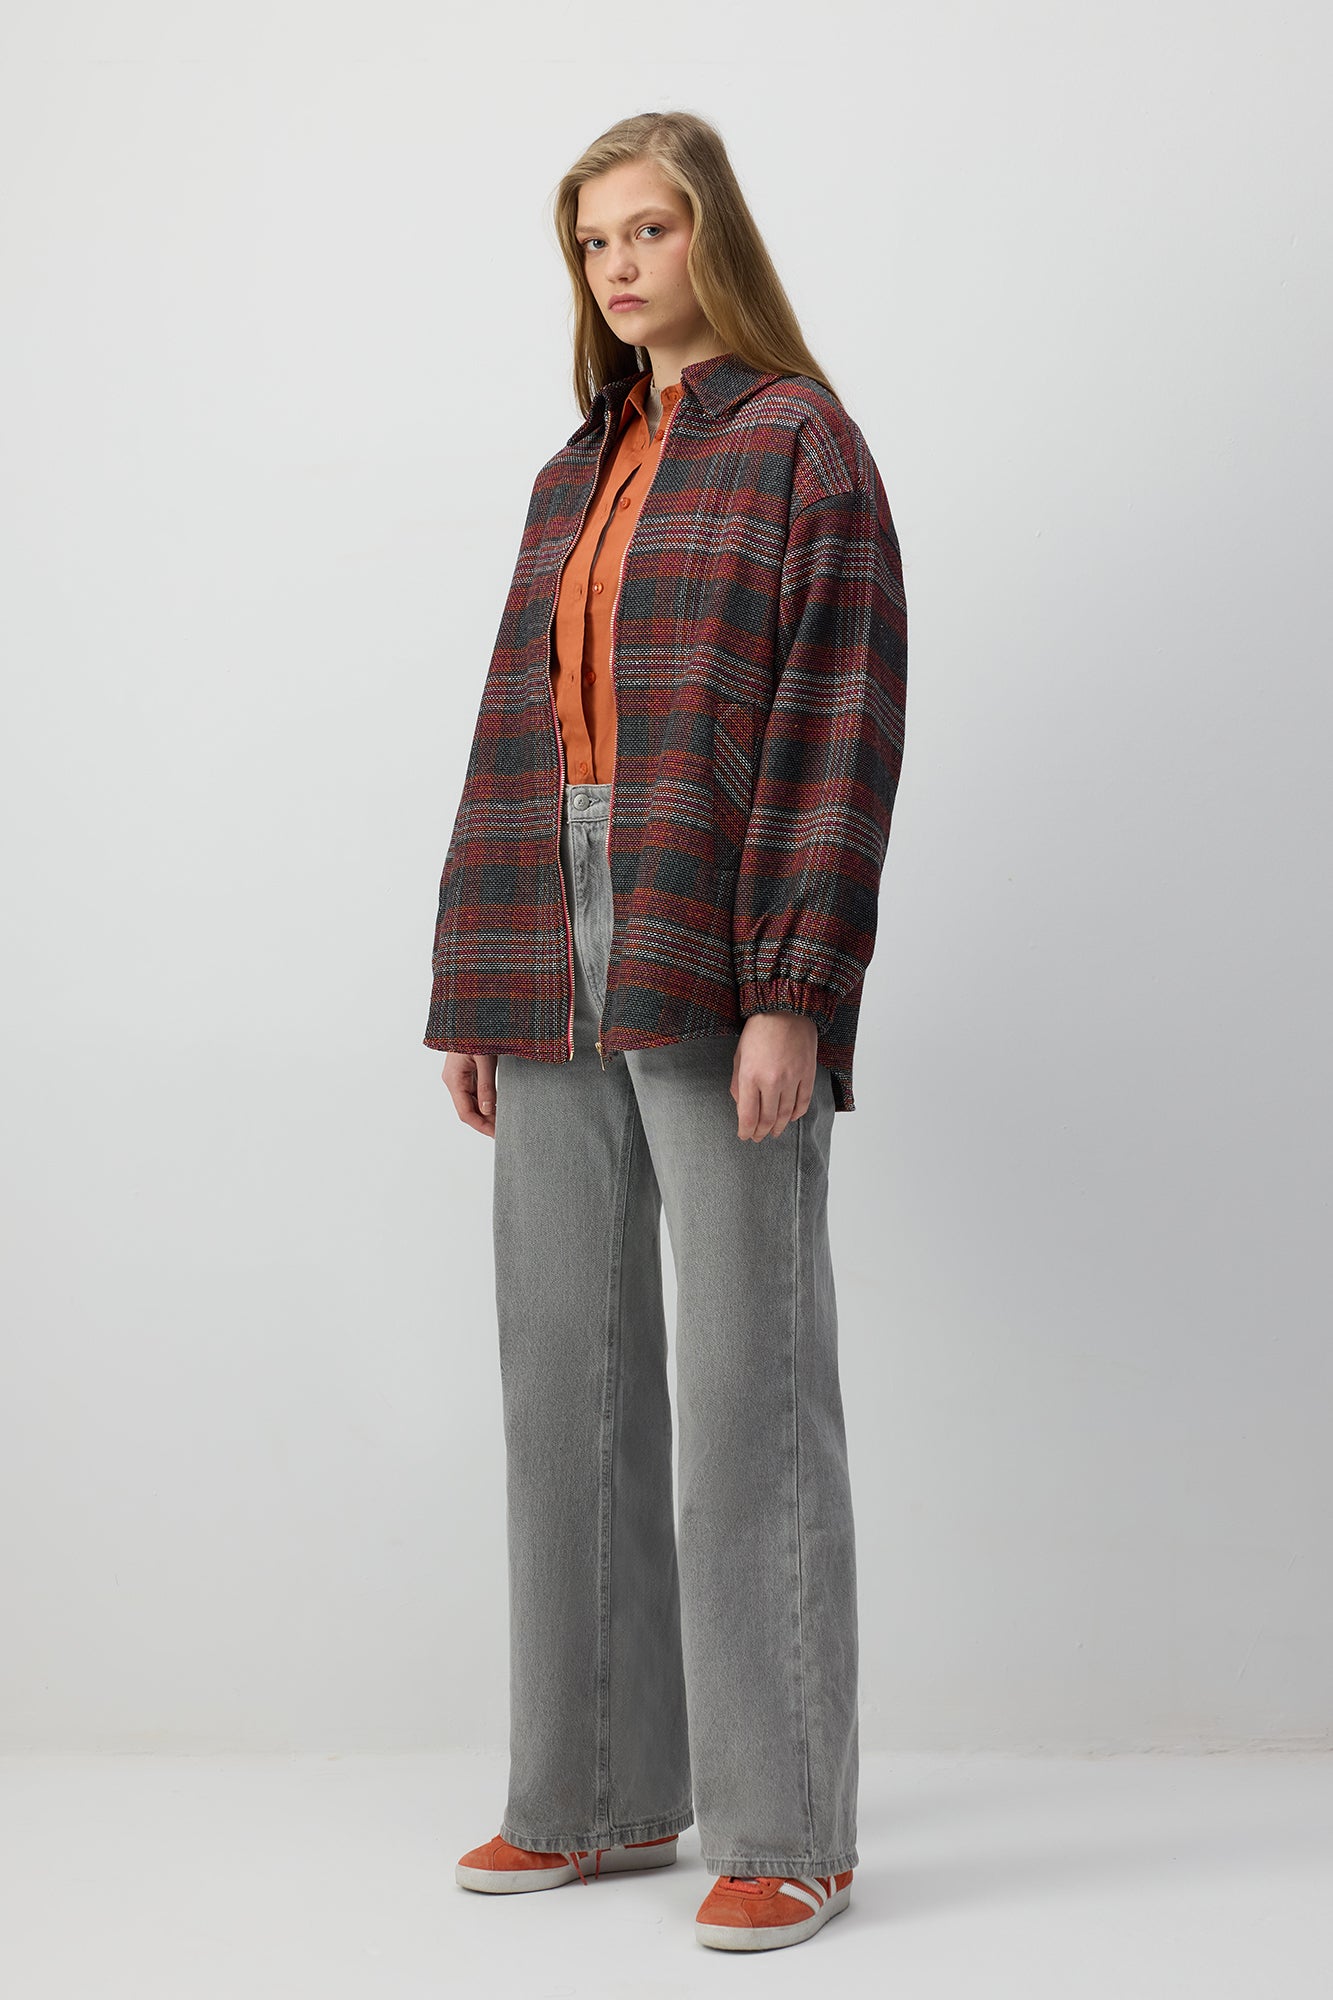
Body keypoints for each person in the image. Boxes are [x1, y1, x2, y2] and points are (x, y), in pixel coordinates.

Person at [424, 109, 907, 1954]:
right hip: (544, 913)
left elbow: (836, 723)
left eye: (648, 230)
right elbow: (513, 720)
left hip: (710, 907)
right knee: (562, 1372)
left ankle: (787, 1827)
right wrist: (477, 979)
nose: (619, 268)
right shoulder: (579, 463)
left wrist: (793, 986)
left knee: (745, 1382)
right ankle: (595, 1793)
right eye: (592, 242)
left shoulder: (800, 442)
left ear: (713, 237)